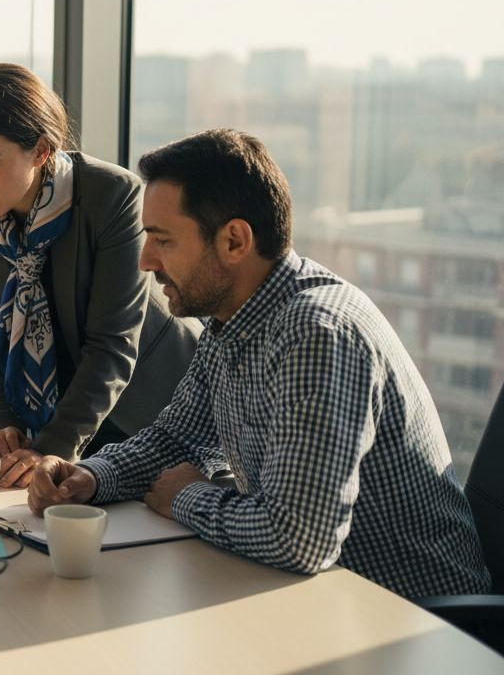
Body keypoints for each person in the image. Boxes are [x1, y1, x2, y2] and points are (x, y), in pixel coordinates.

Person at [27, 128, 490, 598]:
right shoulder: (231, 320)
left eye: (163, 240)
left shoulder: (316, 334)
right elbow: (177, 438)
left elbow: (299, 539)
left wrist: (187, 496)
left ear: (234, 241)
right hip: (321, 599)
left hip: (413, 619)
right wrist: (89, 476)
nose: (146, 261)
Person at [0, 63, 200, 488]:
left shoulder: (113, 195)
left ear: (41, 150)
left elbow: (112, 344)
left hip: (146, 415)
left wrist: (50, 449)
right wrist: (3, 425)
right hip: (51, 419)